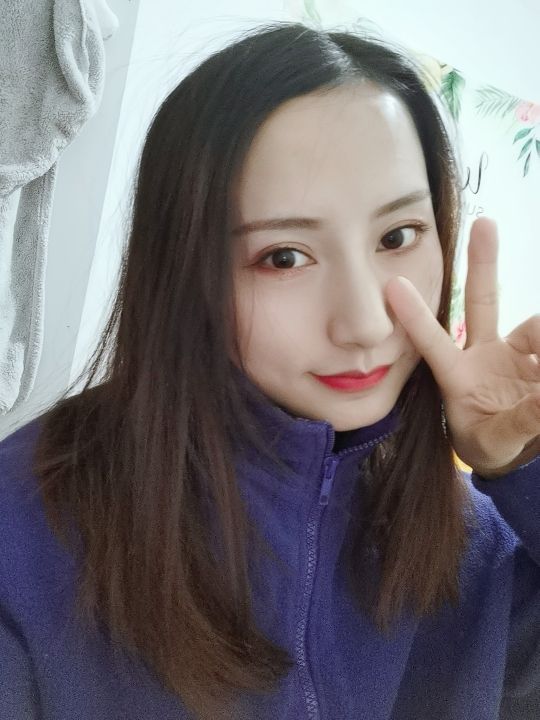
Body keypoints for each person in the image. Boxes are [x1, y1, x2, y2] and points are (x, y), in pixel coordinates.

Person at [0, 20, 539, 720]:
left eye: (397, 236)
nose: (366, 324)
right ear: (186, 270)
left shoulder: (472, 545)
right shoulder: (27, 526)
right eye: (284, 257)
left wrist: (522, 469)